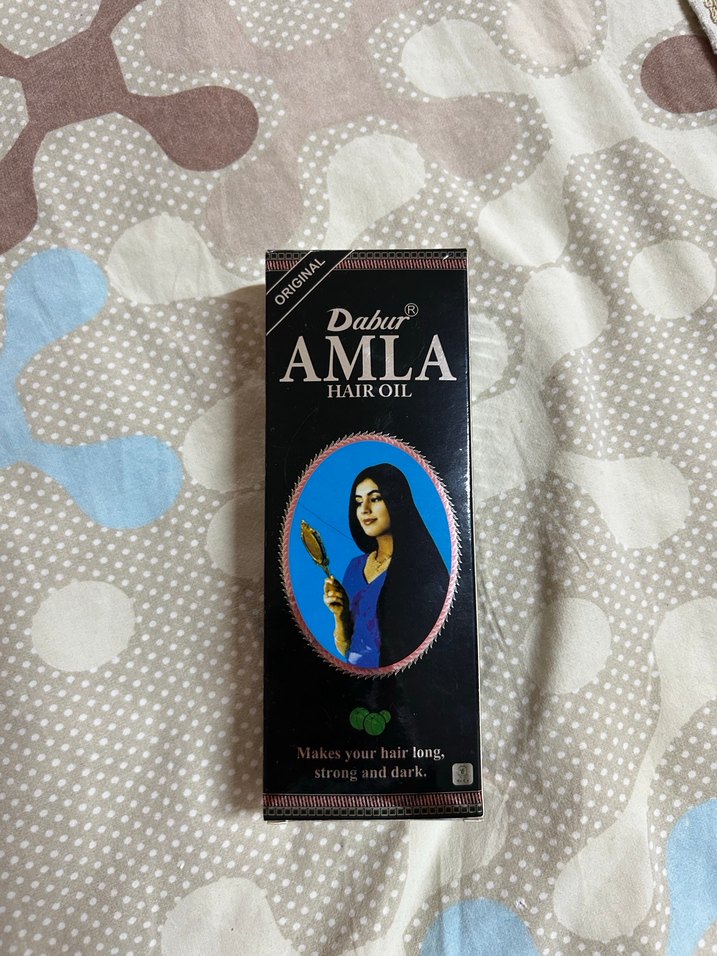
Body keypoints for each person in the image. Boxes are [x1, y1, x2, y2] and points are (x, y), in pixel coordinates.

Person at [323, 463, 449, 668]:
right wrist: (340, 615)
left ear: (396, 501)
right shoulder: (355, 567)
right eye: (358, 502)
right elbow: (349, 650)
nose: (364, 510)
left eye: (375, 499)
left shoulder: (420, 571)